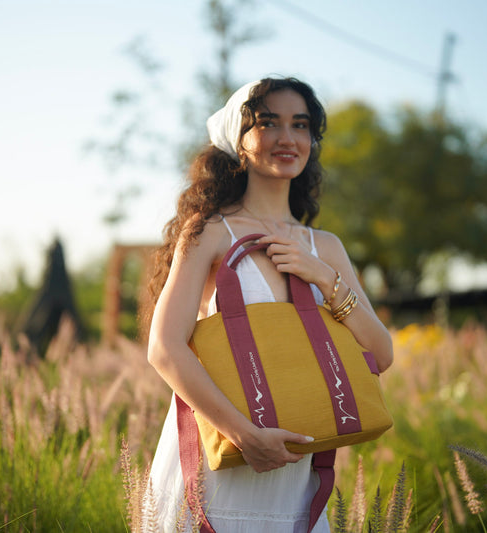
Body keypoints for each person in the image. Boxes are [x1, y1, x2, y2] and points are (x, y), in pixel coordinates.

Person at [142, 77, 394, 532]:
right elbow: (164, 347)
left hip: (295, 472)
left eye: (300, 125)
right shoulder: (209, 232)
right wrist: (244, 435)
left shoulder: (325, 247)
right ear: (238, 140)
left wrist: (324, 278)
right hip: (221, 461)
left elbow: (381, 352)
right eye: (268, 123)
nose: (287, 138)